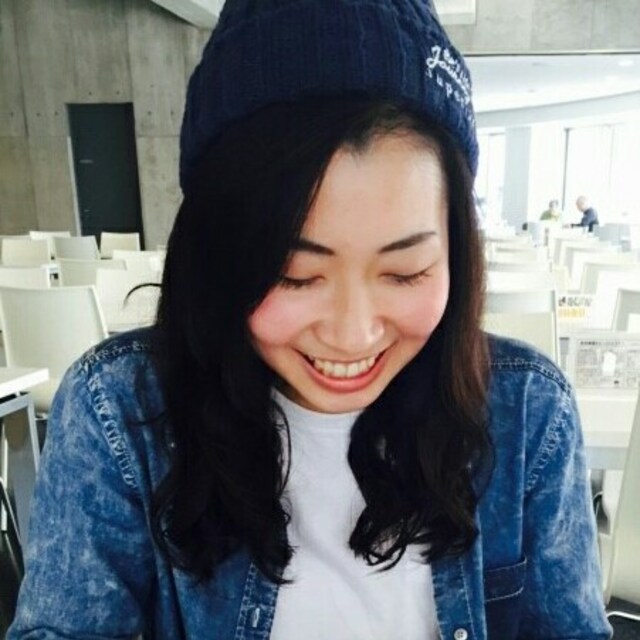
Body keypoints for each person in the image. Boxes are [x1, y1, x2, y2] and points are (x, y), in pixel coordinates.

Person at [9, 1, 611, 639]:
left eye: (405, 272)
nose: (353, 334)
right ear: (217, 256)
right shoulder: (119, 414)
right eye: (294, 276)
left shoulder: (526, 413)